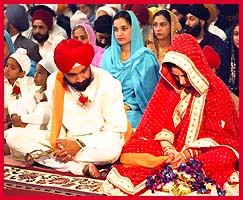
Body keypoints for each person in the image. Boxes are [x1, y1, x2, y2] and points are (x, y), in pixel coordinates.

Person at [101, 34, 239, 195]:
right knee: (132, 147)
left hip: (201, 154)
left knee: (226, 156)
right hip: (169, 150)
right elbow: (160, 124)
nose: (180, 82)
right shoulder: (170, 87)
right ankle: (174, 168)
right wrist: (170, 151)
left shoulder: (217, 91)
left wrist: (187, 154)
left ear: (195, 68)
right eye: (176, 76)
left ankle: (180, 171)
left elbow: (223, 137)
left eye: (185, 75)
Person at [6, 39, 127, 178]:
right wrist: (62, 145)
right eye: (72, 75)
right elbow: (56, 124)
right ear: (63, 73)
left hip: (96, 141)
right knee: (13, 136)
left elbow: (116, 130)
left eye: (83, 71)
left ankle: (55, 161)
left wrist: (79, 145)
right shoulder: (54, 81)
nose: (80, 78)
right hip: (65, 140)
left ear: (89, 65)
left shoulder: (107, 83)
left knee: (111, 151)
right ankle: (77, 168)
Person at [101, 10, 160, 128]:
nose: (119, 34)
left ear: (134, 29)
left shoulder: (145, 58)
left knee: (125, 123)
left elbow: (151, 96)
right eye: (116, 30)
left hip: (136, 110)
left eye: (124, 28)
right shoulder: (108, 55)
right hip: (109, 107)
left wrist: (128, 106)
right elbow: (102, 87)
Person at [183, 4, 229, 85]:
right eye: (186, 19)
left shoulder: (216, 43)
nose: (187, 23)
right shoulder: (183, 41)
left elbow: (222, 72)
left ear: (202, 21)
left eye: (191, 19)